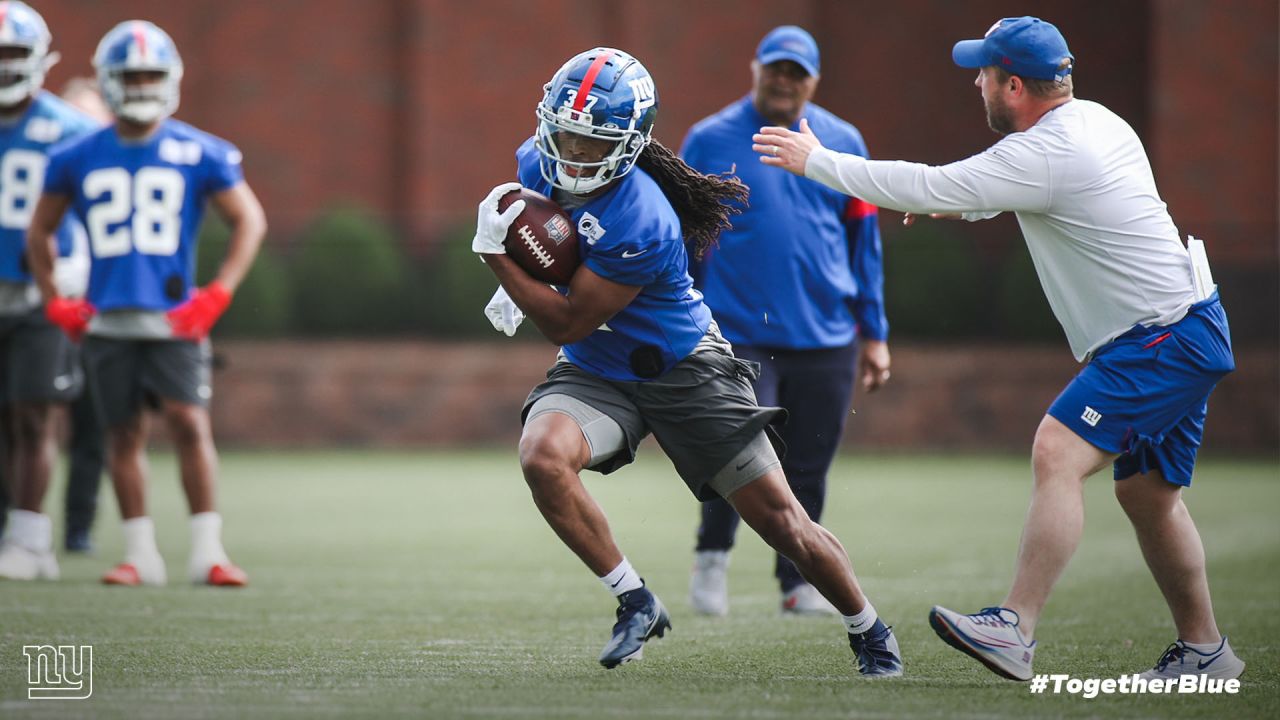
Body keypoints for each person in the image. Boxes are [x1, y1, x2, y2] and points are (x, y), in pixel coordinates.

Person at [754, 16, 1244, 682]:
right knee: (1149, 497)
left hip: (1158, 339)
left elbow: (938, 183)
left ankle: (1015, 627)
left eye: (983, 74)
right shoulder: (1095, 121)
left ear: (1014, 85)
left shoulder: (1044, 151)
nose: (976, 84)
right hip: (1187, 323)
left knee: (1057, 450)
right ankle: (1206, 650)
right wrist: (952, 205)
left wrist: (817, 163)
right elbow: (1019, 195)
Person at [474, 47, 903, 675]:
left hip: (684, 370)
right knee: (542, 455)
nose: (571, 153)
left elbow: (566, 319)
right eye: (563, 133)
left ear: (629, 143)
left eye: (592, 143)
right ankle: (635, 600)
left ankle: (869, 627)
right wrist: (527, 263)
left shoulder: (644, 218)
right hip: (599, 368)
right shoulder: (535, 161)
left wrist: (499, 259)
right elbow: (561, 241)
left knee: (784, 522)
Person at [26, 20, 267, 587]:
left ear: (171, 79)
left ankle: (208, 550)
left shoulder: (198, 149)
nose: (139, 86)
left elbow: (249, 220)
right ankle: (141, 553)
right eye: (129, 77)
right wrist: (54, 299)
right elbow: (40, 231)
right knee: (122, 434)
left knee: (189, 422)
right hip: (107, 317)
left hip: (175, 319)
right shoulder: (77, 152)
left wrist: (219, 292)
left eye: (149, 76)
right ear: (110, 81)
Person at [679, 25, 890, 617]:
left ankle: (799, 583)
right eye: (776, 68)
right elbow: (683, 241)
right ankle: (712, 556)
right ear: (756, 69)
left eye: (797, 73)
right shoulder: (710, 137)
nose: (784, 80)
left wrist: (873, 332)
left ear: (813, 81)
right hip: (737, 330)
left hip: (827, 335)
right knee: (735, 451)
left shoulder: (843, 139)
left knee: (810, 462)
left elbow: (863, 240)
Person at [0, 1, 99, 580]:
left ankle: (31, 538)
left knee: (34, 414)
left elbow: (102, 209)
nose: (7, 66)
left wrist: (81, 271)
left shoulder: (73, 132)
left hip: (43, 289)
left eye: (15, 53)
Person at [57, 77, 112, 554]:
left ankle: (79, 525)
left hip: (97, 312)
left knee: (94, 424)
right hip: (45, 304)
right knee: (18, 417)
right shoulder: (48, 173)